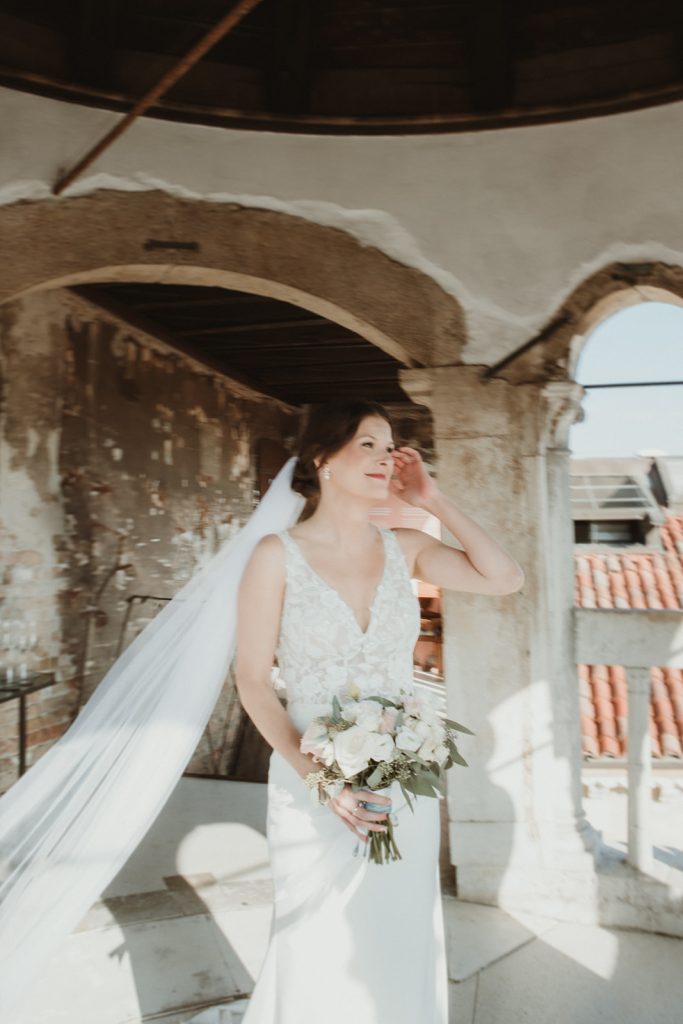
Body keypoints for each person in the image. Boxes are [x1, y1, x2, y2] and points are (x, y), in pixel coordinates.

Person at [235, 399, 524, 1024]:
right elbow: (253, 682)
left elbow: (505, 579)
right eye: (366, 444)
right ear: (323, 460)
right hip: (310, 778)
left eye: (388, 446)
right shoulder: (274, 556)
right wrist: (324, 782)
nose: (383, 456)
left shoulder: (409, 547)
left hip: (403, 780)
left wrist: (435, 502)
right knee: (317, 937)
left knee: (396, 930)